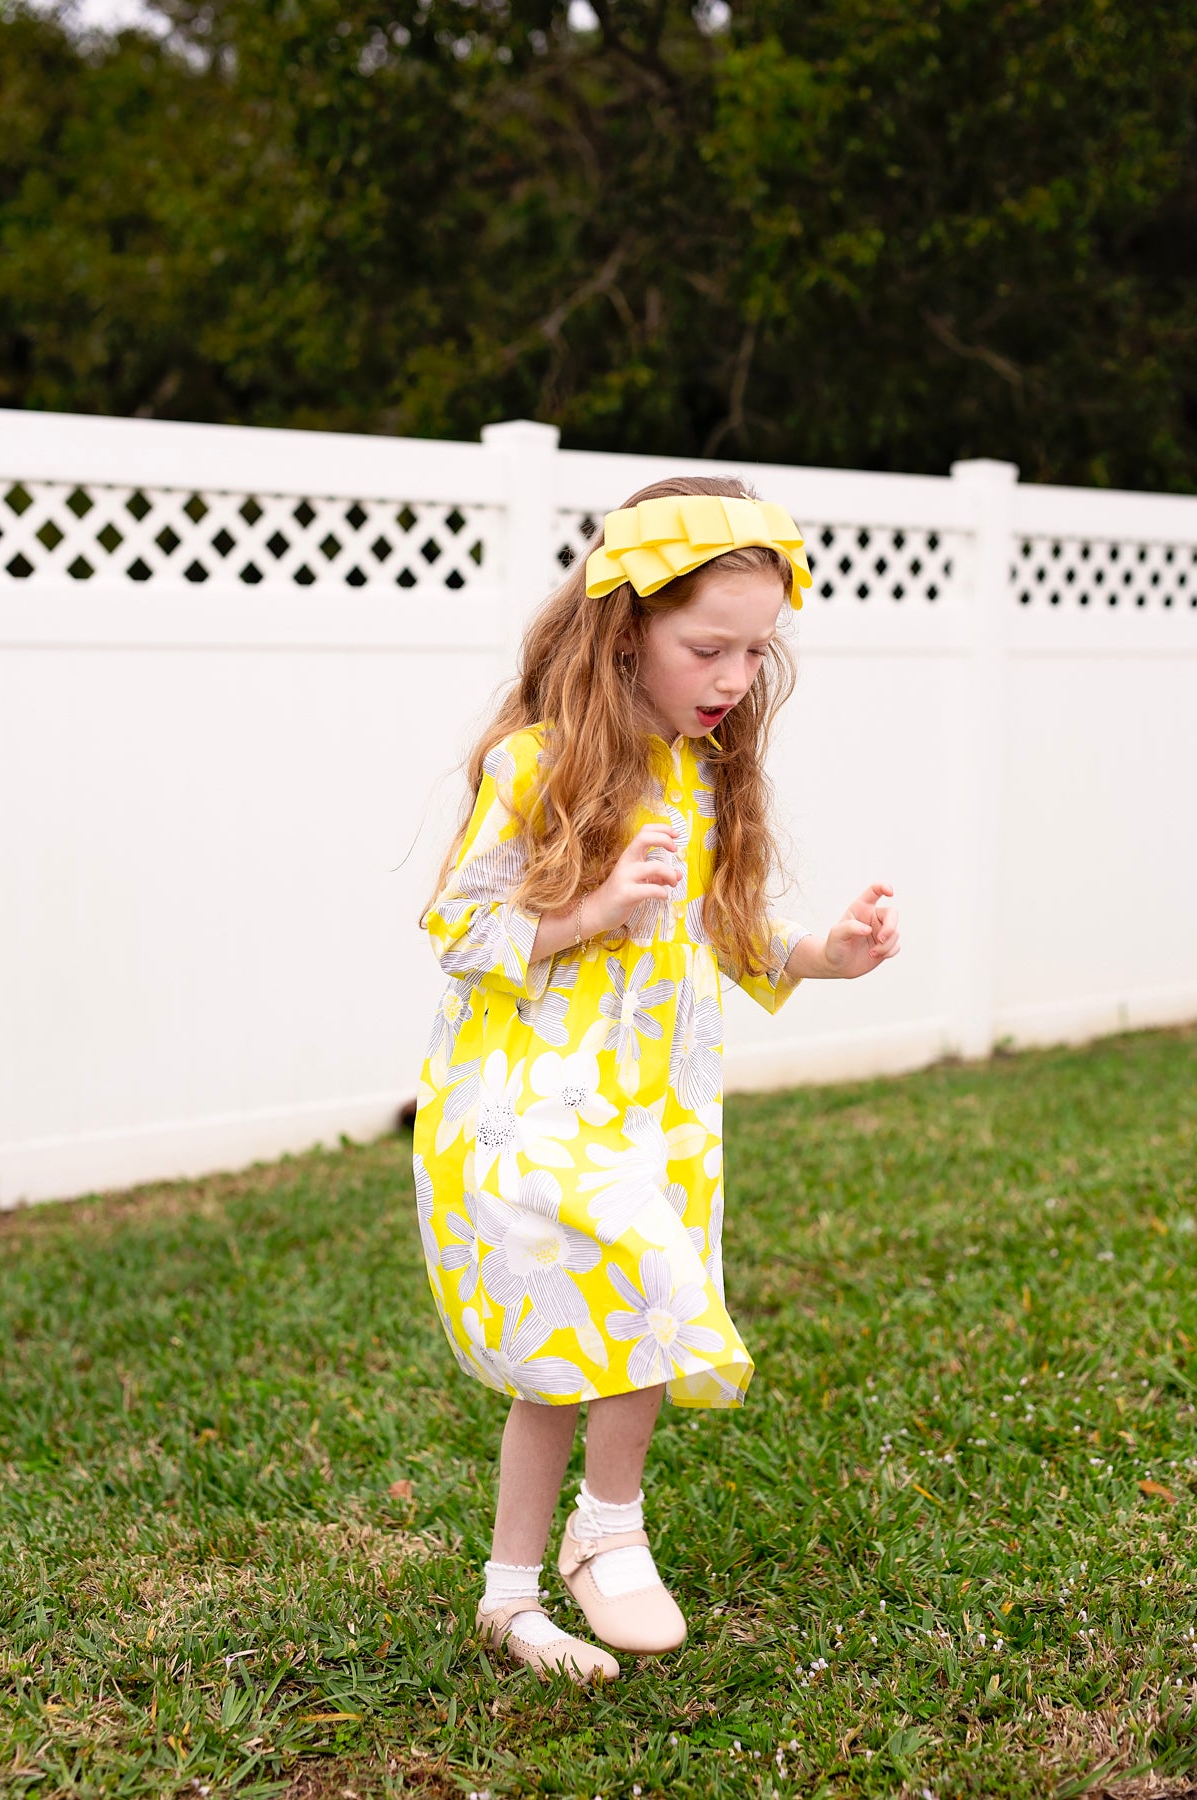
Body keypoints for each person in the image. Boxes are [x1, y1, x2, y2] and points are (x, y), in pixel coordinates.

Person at [413, 474, 900, 1683]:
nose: (734, 678)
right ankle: (608, 1529)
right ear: (625, 626)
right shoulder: (535, 767)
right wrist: (589, 910)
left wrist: (822, 958)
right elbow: (458, 932)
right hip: (530, 1098)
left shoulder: (701, 770)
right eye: (708, 648)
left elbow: (718, 931)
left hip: (657, 1109)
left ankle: (510, 1594)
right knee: (641, 1291)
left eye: (755, 651)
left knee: (580, 1351)